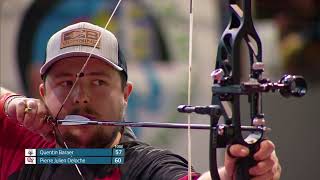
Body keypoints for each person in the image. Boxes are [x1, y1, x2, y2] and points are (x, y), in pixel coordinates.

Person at [0, 22, 281, 180]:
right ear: (41, 94)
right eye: (64, 83)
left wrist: (231, 176)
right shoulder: (25, 146)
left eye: (98, 82)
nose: (81, 96)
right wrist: (9, 101)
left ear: (125, 95)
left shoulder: (142, 166)